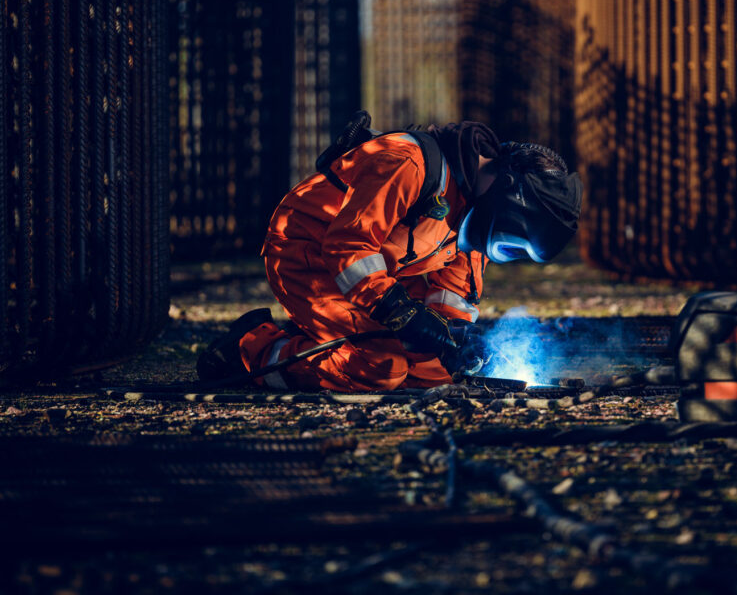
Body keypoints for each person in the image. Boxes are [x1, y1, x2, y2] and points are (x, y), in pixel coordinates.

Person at [197, 117, 582, 392]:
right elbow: (348, 247)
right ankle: (251, 350)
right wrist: (399, 312)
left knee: (432, 374)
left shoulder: (474, 213)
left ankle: (325, 336)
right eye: (511, 245)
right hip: (307, 249)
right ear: (512, 198)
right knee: (380, 368)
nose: (501, 253)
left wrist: (455, 342)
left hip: (378, 269)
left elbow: (453, 293)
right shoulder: (409, 162)